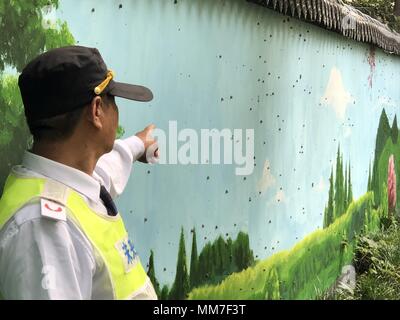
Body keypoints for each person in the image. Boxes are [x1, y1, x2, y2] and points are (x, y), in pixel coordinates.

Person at [0, 46, 159, 300]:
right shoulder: (45, 229)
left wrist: (138, 145)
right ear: (97, 110)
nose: (117, 111)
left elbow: (104, 174)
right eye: (113, 100)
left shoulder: (68, 176)